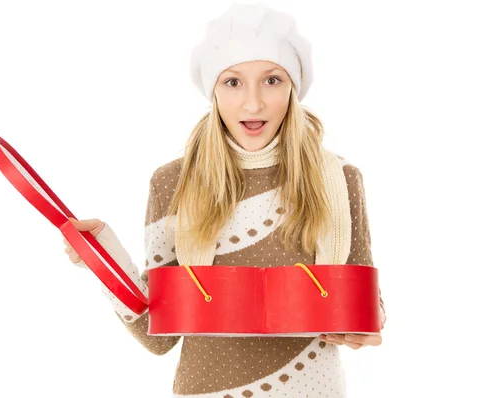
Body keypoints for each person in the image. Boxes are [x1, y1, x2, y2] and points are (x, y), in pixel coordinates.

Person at [62, 3, 386, 397]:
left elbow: (368, 310)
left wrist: (364, 325)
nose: (253, 104)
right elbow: (158, 336)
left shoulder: (339, 180)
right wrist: (102, 258)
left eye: (272, 80)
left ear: (293, 86)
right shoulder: (172, 183)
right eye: (233, 82)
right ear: (213, 89)